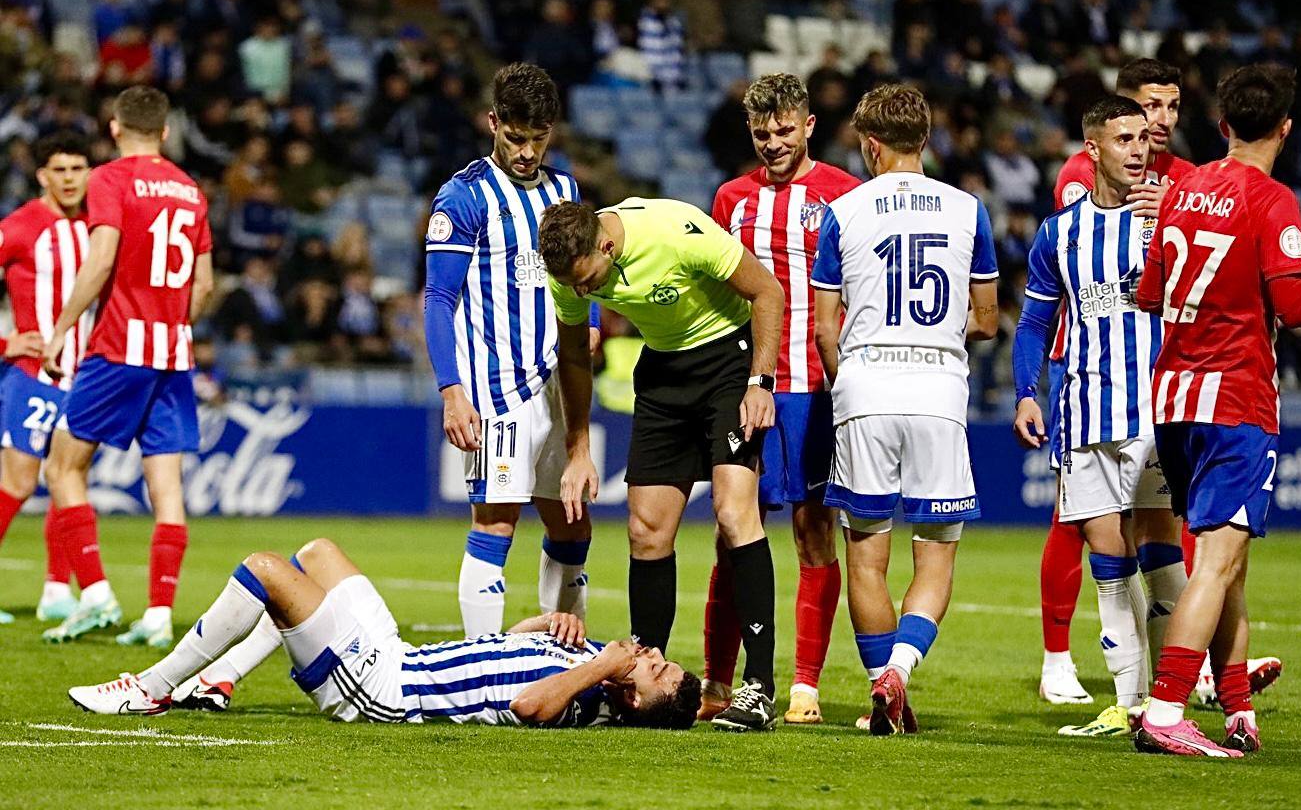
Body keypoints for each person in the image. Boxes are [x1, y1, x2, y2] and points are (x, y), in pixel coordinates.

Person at [1039, 58, 1281, 708]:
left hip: (1164, 388)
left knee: (1171, 536)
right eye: (1150, 107)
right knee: (1088, 533)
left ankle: (1183, 679)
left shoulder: (1188, 182)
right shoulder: (1079, 190)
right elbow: (1070, 278)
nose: (1161, 121)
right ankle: (1060, 659)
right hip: (1088, 380)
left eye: (1172, 107)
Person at [1135, 63, 1301, 757]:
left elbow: (1149, 296)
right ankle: (1165, 709)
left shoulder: (1180, 187)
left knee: (1226, 564)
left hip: (1172, 398)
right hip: (1234, 398)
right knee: (1218, 563)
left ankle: (1233, 706)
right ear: (1285, 128)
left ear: (1222, 124)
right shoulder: (1273, 199)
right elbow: (1292, 305)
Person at [538, 197, 785, 732]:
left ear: (605, 244)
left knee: (733, 510)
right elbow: (576, 356)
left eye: (588, 280)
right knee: (645, 530)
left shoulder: (674, 231)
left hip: (728, 359)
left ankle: (759, 688)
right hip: (663, 373)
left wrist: (760, 382)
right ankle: (643, 686)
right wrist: (579, 448)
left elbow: (768, 292)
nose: (583, 292)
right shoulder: (568, 271)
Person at [811, 84, 999, 736]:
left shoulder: (843, 210)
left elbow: (824, 326)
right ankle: (902, 667)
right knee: (935, 556)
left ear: (869, 144)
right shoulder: (968, 210)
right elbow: (984, 318)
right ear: (925, 139)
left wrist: (848, 382)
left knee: (865, 555)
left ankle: (876, 688)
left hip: (864, 385)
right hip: (936, 390)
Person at [69, 537, 700, 730]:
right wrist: (537, 626)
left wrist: (598, 666)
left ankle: (149, 688)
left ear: (634, 698)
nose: (646, 653)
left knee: (262, 571)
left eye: (653, 668)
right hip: (401, 652)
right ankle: (220, 678)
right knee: (316, 554)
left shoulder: (585, 698)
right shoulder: (594, 668)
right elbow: (501, 659)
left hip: (384, 687)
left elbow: (526, 705)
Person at [1013, 97, 1187, 738]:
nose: (1139, 150)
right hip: (1084, 410)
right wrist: (1026, 393)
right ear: (1093, 150)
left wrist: (1167, 234)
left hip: (1156, 409)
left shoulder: (1170, 218)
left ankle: (1172, 697)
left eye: (1144, 138)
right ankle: (1130, 700)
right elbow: (1034, 320)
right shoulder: (1060, 232)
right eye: (1124, 139)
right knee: (1106, 561)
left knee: (1162, 551)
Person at [699, 73, 860, 725]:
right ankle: (717, 683)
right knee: (732, 532)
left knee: (813, 529)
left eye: (784, 131)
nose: (772, 143)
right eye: (762, 133)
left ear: (808, 127)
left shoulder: (843, 195)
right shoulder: (730, 200)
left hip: (813, 389)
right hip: (745, 387)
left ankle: (803, 686)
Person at [423, 63, 600, 639]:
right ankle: (481, 663)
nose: (527, 152)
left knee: (572, 523)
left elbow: (581, 268)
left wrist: (590, 319)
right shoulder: (465, 195)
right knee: (497, 523)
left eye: (539, 137)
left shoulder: (564, 188)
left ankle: (563, 656)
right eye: (516, 137)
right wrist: (452, 390)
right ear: (493, 122)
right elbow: (439, 298)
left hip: (559, 386)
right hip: (497, 392)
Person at [38, 86, 215, 648]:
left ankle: (95, 596)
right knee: (166, 485)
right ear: (165, 131)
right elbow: (204, 284)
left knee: (63, 468)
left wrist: (63, 326)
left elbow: (101, 260)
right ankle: (160, 615)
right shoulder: (190, 190)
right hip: (173, 352)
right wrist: (172, 323)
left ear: (115, 129)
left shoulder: (110, 180)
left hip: (117, 347)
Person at [0, 132, 93, 625]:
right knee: (17, 481)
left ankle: (58, 589)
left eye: (78, 168)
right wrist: (5, 344)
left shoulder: (97, 227)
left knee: (68, 477)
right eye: (60, 169)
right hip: (31, 374)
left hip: (84, 375)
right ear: (42, 175)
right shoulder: (18, 227)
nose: (70, 178)